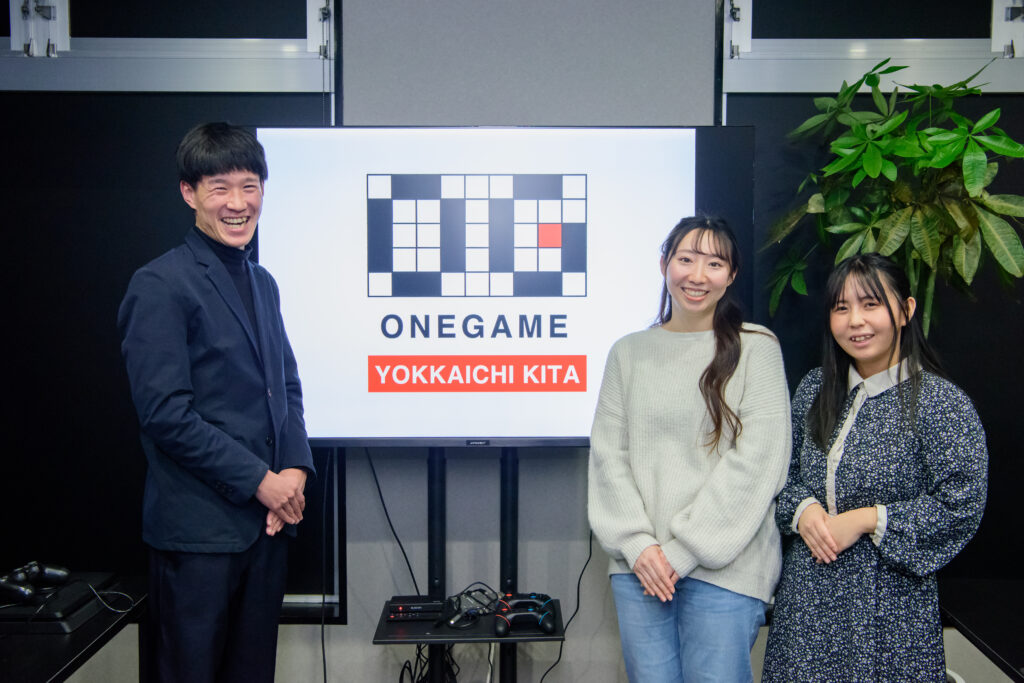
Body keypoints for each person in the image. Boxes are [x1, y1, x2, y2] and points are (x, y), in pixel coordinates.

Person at [118, 122, 315, 683]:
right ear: (189, 193)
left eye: (250, 186)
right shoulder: (160, 284)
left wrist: (294, 470)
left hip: (266, 531)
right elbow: (165, 415)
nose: (238, 203)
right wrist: (261, 481)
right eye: (220, 188)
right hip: (198, 538)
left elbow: (286, 388)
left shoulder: (263, 282)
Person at [762, 252, 988, 681]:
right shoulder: (814, 389)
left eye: (871, 305)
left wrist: (869, 519)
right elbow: (778, 475)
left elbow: (961, 506)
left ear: (905, 310)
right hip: (806, 601)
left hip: (890, 607)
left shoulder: (941, 403)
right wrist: (803, 510)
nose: (855, 321)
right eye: (841, 308)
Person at [588, 215, 791, 682]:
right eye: (686, 259)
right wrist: (638, 546)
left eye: (715, 264)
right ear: (664, 264)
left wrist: (682, 553)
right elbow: (608, 458)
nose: (698, 275)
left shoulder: (757, 347)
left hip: (727, 570)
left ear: (731, 275)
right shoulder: (627, 352)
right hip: (640, 569)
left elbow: (758, 464)